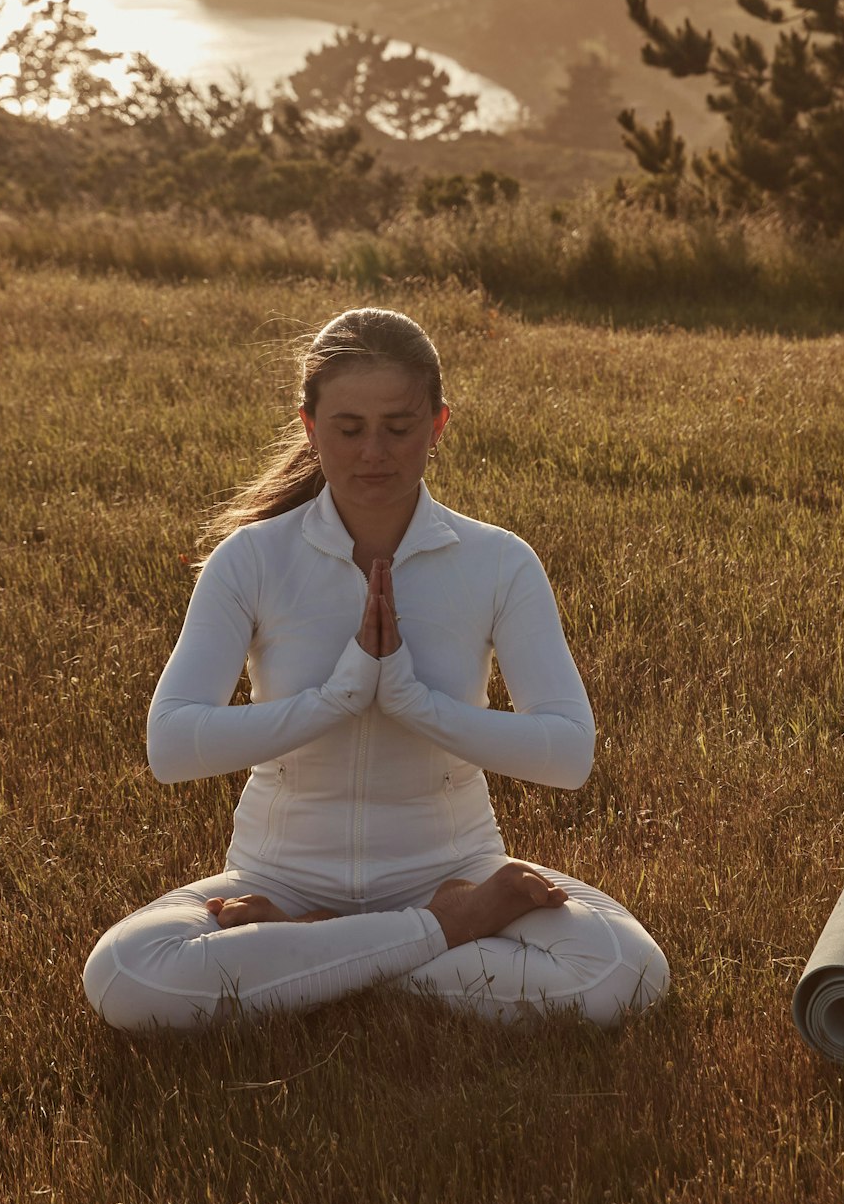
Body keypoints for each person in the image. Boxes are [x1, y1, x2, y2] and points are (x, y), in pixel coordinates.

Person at [83, 307, 669, 1033]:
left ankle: (307, 955)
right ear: (309, 427)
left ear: (438, 425)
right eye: (348, 428)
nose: (374, 453)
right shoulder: (254, 559)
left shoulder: (497, 561)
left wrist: (411, 702)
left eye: (399, 426)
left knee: (626, 971)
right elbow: (171, 745)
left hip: (450, 869)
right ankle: (429, 934)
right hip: (282, 879)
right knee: (124, 976)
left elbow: (567, 753)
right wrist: (338, 698)